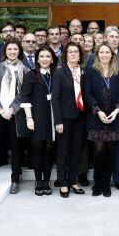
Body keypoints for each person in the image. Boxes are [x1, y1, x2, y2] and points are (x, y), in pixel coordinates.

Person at [82, 44, 119, 197]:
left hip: (114, 118)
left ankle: (106, 184)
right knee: (98, 151)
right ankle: (98, 183)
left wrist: (116, 111)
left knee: (111, 152)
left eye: (107, 52)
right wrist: (98, 111)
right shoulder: (90, 72)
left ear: (112, 54)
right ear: (97, 55)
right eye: (101, 52)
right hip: (97, 117)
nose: (104, 55)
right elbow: (87, 94)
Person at [0, 39, 29, 192]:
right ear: (5, 51)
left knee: (16, 147)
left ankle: (15, 180)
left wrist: (12, 109)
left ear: (19, 51)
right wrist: (0, 109)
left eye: (15, 49)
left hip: (14, 114)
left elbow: (24, 93)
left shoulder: (25, 70)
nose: (12, 52)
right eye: (9, 49)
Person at [19, 46, 58, 196]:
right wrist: (29, 118)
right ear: (37, 59)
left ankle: (47, 181)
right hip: (36, 117)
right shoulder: (31, 75)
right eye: (41, 56)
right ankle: (38, 181)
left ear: (52, 59)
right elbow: (25, 97)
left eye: (48, 56)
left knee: (49, 151)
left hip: (52, 117)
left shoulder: (56, 74)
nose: (45, 59)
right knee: (37, 151)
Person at [51, 43, 87, 197]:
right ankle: (63, 181)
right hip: (64, 119)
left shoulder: (85, 72)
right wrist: (58, 121)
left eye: (76, 52)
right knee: (63, 151)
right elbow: (55, 98)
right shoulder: (60, 73)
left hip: (81, 118)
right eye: (70, 52)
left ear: (80, 55)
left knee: (77, 151)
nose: (73, 54)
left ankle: (73, 180)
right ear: (65, 55)